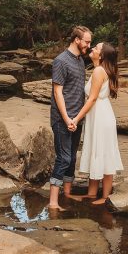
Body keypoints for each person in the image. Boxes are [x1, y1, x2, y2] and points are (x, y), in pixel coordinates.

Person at [72, 41, 123, 204]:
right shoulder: (100, 69)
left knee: (103, 153)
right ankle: (92, 193)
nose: (92, 48)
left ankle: (105, 197)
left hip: (100, 115)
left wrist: (77, 118)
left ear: (101, 55)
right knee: (96, 149)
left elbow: (92, 98)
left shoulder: (99, 71)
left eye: (96, 48)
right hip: (100, 114)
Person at [49, 25, 93, 210]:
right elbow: (58, 93)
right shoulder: (61, 61)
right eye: (86, 41)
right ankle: (52, 202)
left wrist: (77, 118)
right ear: (76, 40)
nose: (88, 45)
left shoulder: (80, 60)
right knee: (64, 158)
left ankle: (66, 193)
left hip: (77, 118)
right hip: (62, 119)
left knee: (72, 157)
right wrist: (67, 119)